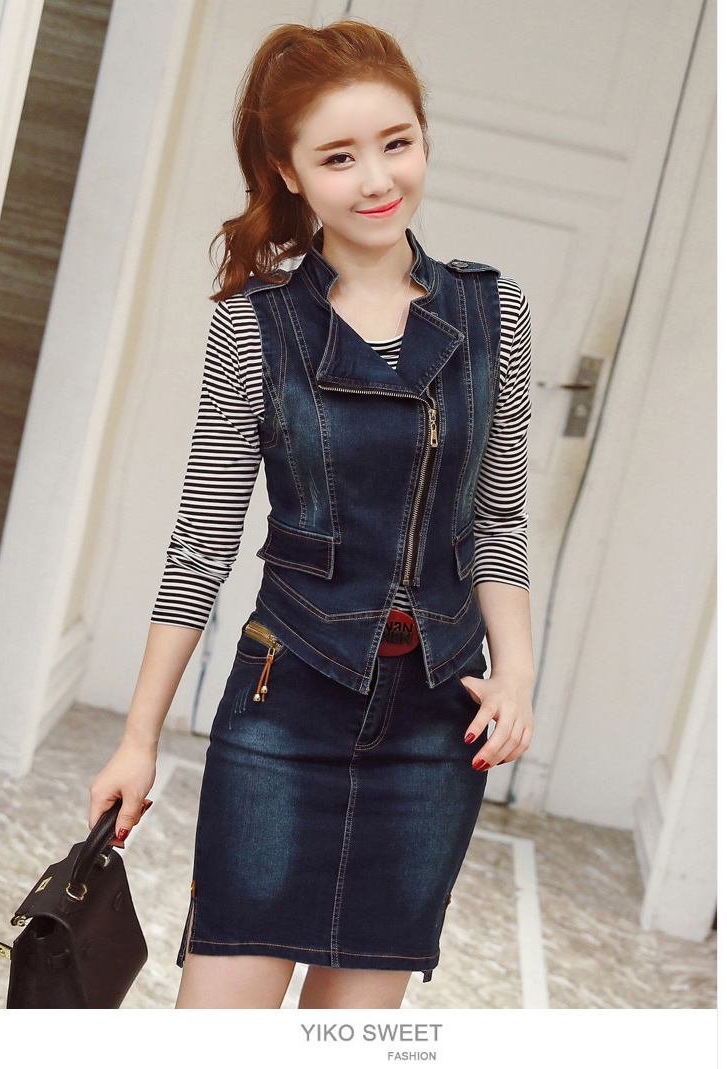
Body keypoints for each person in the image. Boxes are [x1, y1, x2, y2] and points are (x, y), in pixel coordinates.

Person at [89, 18, 535, 1010]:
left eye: (396, 142)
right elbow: (201, 544)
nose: (377, 179)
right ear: (288, 172)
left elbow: (496, 520)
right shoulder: (253, 327)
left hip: (436, 727)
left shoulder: (492, 311)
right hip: (285, 710)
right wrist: (138, 738)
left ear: (422, 138)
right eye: (338, 157)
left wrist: (516, 671)